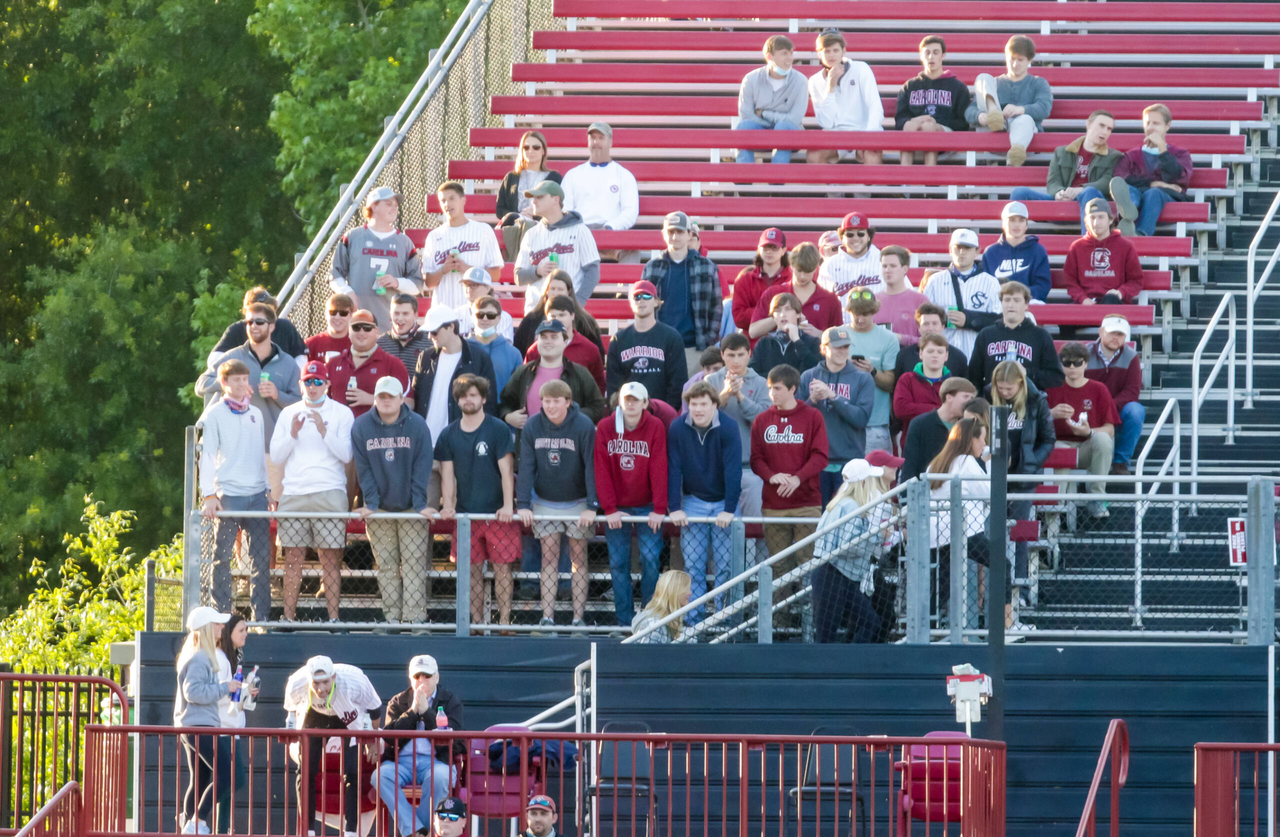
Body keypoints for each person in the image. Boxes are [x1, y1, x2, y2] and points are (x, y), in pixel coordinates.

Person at [269, 361, 355, 622]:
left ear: (328, 384)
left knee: (329, 558)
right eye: (308, 381)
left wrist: (323, 431)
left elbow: (347, 454)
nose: (313, 387)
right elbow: (276, 455)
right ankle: (288, 618)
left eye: (318, 382)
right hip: (294, 493)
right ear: (300, 384)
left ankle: (333, 619)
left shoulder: (342, 413)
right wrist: (292, 434)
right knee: (293, 557)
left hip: (330, 491)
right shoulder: (288, 414)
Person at [196, 303, 303, 501]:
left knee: (274, 513)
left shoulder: (288, 362)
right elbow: (201, 384)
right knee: (233, 514)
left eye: (259, 322)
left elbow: (299, 403)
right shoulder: (233, 357)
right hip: (235, 452)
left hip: (273, 451)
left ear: (272, 326)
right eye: (249, 321)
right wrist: (230, 383)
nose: (253, 326)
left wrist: (277, 394)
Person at [516, 379, 599, 632]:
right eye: (546, 401)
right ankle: (547, 618)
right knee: (548, 558)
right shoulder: (532, 426)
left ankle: (577, 619)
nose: (550, 406)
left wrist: (592, 506)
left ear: (568, 401)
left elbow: (592, 468)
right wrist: (524, 503)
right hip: (545, 500)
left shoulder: (584, 425)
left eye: (556, 401)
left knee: (578, 559)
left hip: (578, 501)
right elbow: (526, 467)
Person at [437, 374, 520, 627]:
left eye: (473, 394)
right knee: (471, 573)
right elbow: (447, 475)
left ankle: (504, 623)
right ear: (457, 401)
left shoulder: (497, 429)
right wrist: (448, 505)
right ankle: (475, 625)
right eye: (463, 396)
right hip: (465, 516)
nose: (468, 399)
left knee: (502, 570)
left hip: (498, 515)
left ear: (483, 398)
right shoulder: (448, 434)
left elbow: (507, 472)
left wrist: (507, 506)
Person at [353, 377, 435, 625]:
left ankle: (415, 620)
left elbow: (423, 468)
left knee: (413, 565)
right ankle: (392, 620)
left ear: (402, 398)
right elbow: (363, 468)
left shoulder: (418, 425)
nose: (386, 401)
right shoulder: (361, 426)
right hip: (379, 510)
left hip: (411, 506)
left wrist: (420, 504)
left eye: (391, 397)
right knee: (386, 567)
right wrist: (371, 504)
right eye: (381, 397)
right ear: (375, 398)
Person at [198, 360, 272, 622]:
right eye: (236, 379)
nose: (242, 384)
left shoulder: (255, 414)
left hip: (257, 496)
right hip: (228, 495)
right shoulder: (214, 414)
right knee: (222, 557)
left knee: (261, 559)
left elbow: (260, 457)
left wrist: (268, 488)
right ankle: (222, 616)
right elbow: (207, 456)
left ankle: (261, 617)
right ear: (225, 383)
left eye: (245, 379)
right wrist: (209, 495)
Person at [751, 364, 830, 602]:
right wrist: (771, 475)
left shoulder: (812, 416)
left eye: (777, 388)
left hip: (807, 503)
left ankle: (810, 620)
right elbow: (756, 459)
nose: (772, 394)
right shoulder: (762, 420)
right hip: (774, 505)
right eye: (770, 388)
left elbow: (820, 456)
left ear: (793, 388)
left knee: (809, 563)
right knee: (778, 566)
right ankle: (779, 624)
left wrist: (798, 477)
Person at [594, 382, 669, 627]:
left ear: (646, 403)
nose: (631, 403)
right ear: (619, 401)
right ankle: (624, 620)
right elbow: (601, 470)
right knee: (618, 562)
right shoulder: (605, 427)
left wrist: (659, 508)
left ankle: (647, 618)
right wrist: (610, 508)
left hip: (647, 505)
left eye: (636, 399)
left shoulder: (655, 426)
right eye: (627, 399)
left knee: (649, 557)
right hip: (618, 508)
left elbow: (659, 467)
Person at [282, 657, 382, 837]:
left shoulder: (355, 681)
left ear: (334, 677)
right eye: (316, 683)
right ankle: (308, 829)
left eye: (325, 682)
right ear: (308, 680)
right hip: (315, 714)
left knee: (352, 771)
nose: (321, 689)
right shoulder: (297, 683)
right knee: (305, 771)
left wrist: (372, 739)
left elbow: (375, 709)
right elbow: (290, 709)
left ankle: (351, 830)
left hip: (347, 712)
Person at [926, 418, 1010, 627]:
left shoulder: (937, 462)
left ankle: (925, 628)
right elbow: (993, 494)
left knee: (942, 586)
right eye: (981, 439)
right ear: (970, 439)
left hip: (939, 534)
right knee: (1003, 564)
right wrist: (990, 462)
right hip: (965, 532)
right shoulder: (966, 462)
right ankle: (1007, 625)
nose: (983, 444)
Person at [668, 383, 741, 620]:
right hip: (693, 501)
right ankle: (694, 619)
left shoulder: (728, 427)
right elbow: (674, 469)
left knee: (726, 568)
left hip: (723, 503)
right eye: (693, 404)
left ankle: (724, 618)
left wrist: (729, 509)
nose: (697, 409)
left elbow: (733, 470)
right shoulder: (678, 427)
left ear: (714, 404)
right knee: (694, 567)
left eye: (703, 404)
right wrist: (675, 507)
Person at [374, 654, 464, 835]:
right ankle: (417, 830)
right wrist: (413, 711)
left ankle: (419, 831)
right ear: (410, 678)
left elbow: (455, 742)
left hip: (437, 761)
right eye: (416, 676)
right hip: (401, 762)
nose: (421, 681)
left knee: (439, 777)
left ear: (437, 678)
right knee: (379, 776)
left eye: (427, 676)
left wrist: (426, 712)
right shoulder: (398, 701)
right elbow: (390, 738)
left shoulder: (450, 700)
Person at [812, 459, 895, 643]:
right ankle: (843, 667)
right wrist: (878, 536)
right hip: (833, 574)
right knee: (832, 633)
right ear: (863, 483)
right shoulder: (851, 506)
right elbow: (849, 547)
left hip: (835, 573)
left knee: (866, 623)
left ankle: (845, 666)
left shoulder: (840, 503)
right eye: (870, 480)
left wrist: (877, 536)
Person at [990, 360, 1055, 584]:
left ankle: (1020, 586)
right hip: (992, 477)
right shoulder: (987, 398)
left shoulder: (1037, 401)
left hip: (1023, 477)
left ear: (1021, 384)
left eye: (1009, 388)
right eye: (1000, 387)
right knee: (991, 534)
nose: (1004, 392)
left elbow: (1048, 439)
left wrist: (1032, 463)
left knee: (1019, 535)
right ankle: (994, 587)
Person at [174, 606, 233, 835]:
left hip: (192, 725)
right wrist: (224, 688)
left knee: (199, 778)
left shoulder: (196, 654)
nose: (222, 627)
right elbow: (194, 692)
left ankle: (189, 823)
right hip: (199, 726)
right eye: (217, 624)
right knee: (225, 775)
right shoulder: (199, 657)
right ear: (208, 628)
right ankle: (197, 821)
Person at [1009, 110, 1119, 234]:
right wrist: (1059, 193)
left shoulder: (1114, 156)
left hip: (1092, 206)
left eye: (1109, 129)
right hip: (1063, 201)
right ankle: (1013, 244)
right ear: (1088, 124)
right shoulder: (1062, 152)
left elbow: (1107, 183)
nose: (1105, 132)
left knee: (1090, 191)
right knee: (1019, 193)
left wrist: (1080, 189)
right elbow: (1053, 181)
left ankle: (1087, 243)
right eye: (1101, 126)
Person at [801, 326, 875, 507]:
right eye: (837, 347)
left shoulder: (862, 378)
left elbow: (861, 418)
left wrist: (833, 397)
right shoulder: (808, 376)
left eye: (846, 347)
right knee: (818, 517)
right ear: (824, 348)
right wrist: (812, 400)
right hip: (815, 460)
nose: (843, 351)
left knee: (850, 514)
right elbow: (799, 421)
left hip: (849, 459)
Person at [332, 186, 423, 331]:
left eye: (395, 205)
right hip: (357, 320)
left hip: (391, 323)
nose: (394, 208)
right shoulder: (352, 237)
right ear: (373, 206)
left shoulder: (404, 242)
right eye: (388, 204)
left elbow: (417, 285)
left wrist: (396, 282)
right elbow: (334, 275)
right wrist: (347, 292)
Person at [641, 211, 723, 372]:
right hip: (659, 347)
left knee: (692, 396)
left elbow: (717, 307)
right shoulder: (651, 267)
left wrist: (707, 341)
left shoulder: (707, 266)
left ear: (689, 235)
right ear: (664, 234)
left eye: (680, 231)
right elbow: (642, 305)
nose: (675, 236)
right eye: (671, 232)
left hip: (694, 347)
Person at [1047, 343, 1120, 517]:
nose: (1072, 367)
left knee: (1102, 438)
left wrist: (1089, 432)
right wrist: (1051, 414)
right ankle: (1054, 506)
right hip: (1060, 442)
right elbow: (1036, 424)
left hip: (1088, 445)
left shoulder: (1099, 389)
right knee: (1060, 449)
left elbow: (1110, 429)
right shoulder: (1051, 388)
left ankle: (1096, 497)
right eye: (1067, 363)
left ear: (1086, 363)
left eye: (1077, 363)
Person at [500, 320, 608, 436]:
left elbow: (597, 407)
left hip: (569, 443)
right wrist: (508, 416)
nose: (548, 341)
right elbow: (504, 402)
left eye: (554, 337)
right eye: (543, 337)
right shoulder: (524, 372)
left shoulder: (579, 373)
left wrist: (571, 416)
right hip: (530, 444)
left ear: (565, 341)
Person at [414, 305, 500, 448]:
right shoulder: (425, 357)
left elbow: (489, 404)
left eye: (434, 331)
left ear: (451, 327)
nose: (430, 336)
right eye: (429, 332)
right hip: (425, 443)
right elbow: (416, 398)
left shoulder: (479, 358)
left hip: (461, 445)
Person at [704, 334, 768, 520]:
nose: (736, 360)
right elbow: (703, 418)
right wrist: (724, 394)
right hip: (716, 465)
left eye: (741, 355)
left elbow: (762, 421)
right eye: (731, 355)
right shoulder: (710, 381)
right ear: (722, 355)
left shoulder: (761, 383)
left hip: (750, 467)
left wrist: (740, 396)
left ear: (749, 354)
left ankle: (751, 551)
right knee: (718, 525)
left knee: (752, 525)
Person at [965, 35, 1052, 167]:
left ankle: (1015, 154)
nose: (1015, 64)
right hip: (993, 133)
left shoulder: (1038, 83)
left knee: (1025, 119)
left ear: (1029, 60)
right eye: (1012, 59)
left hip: (1024, 136)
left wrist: (1020, 109)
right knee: (983, 77)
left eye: (1020, 60)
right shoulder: (994, 83)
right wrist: (980, 115)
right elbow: (970, 111)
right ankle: (995, 114)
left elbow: (1044, 107)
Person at [560, 122, 640, 263]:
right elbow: (564, 209)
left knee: (631, 249)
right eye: (593, 138)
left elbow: (630, 212)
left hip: (611, 232)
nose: (596, 142)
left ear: (610, 142)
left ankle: (629, 285)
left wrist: (610, 228)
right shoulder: (573, 175)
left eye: (601, 138)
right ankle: (564, 285)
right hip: (579, 233)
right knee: (557, 247)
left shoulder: (624, 175)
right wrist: (578, 228)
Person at [514, 181, 601, 310]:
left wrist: (579, 302)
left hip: (566, 310)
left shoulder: (580, 230)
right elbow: (518, 277)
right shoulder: (531, 234)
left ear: (556, 199)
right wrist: (537, 271)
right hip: (535, 310)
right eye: (533, 198)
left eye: (540, 197)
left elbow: (593, 271)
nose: (534, 202)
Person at [1110, 103, 1193, 237]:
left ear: (1167, 126)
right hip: (1137, 194)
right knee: (1128, 190)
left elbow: (1178, 178)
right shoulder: (1131, 155)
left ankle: (1141, 234)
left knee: (1153, 193)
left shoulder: (1180, 154)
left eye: (1156, 123)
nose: (1151, 127)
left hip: (1165, 198)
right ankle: (1129, 211)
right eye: (1147, 123)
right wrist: (1152, 183)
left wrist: (1162, 149)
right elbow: (1120, 178)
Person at [918, 229, 1002, 359]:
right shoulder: (935, 281)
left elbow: (998, 321)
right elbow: (923, 318)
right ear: (950, 250)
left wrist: (970, 320)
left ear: (977, 251)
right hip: (941, 355)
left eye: (967, 248)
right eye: (958, 248)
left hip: (976, 354)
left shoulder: (990, 282)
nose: (962, 252)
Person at [968, 281, 1065, 391]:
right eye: (1007, 300)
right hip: (993, 402)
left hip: (1028, 404)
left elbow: (1056, 378)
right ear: (1001, 303)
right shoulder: (985, 335)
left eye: (1017, 300)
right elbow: (973, 377)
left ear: (1026, 304)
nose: (1011, 305)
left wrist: (1027, 373)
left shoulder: (1041, 336)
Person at [606, 280, 688, 409]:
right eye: (636, 297)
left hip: (661, 413)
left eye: (647, 296)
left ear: (656, 301)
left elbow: (677, 384)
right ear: (631, 302)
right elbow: (614, 387)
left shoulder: (671, 337)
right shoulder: (618, 340)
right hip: (629, 413)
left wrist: (665, 412)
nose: (641, 300)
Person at [807, 29, 884, 165]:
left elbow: (875, 108)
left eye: (835, 50)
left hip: (863, 131)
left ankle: (866, 187)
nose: (831, 55)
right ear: (819, 53)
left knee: (872, 158)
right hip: (835, 135)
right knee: (813, 156)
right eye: (826, 51)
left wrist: (869, 138)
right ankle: (832, 186)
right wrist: (830, 87)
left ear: (843, 51)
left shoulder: (861, 69)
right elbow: (826, 123)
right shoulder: (814, 81)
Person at [424, 181, 504, 310]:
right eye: (443, 200)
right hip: (444, 308)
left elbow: (495, 274)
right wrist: (444, 269)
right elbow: (429, 282)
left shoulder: (483, 230)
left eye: (451, 198)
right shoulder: (433, 236)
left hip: (477, 310)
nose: (447, 204)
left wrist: (468, 269)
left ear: (463, 200)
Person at [896, 36, 972, 166]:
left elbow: (963, 123)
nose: (931, 57)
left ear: (943, 56)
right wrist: (914, 121)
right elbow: (899, 120)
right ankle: (904, 182)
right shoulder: (910, 86)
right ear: (921, 56)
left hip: (946, 137)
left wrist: (936, 123)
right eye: (927, 53)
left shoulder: (958, 87)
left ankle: (930, 181)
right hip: (915, 134)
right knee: (909, 125)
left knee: (929, 127)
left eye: (936, 52)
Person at [750, 242, 843, 346]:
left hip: (814, 359)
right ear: (791, 266)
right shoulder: (774, 293)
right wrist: (780, 317)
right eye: (799, 270)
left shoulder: (829, 299)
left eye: (808, 271)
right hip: (779, 358)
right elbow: (753, 331)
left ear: (816, 268)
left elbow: (841, 339)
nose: (802, 276)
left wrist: (821, 335)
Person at [214, 614, 257, 835]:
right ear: (229, 632)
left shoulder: (231, 659)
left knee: (229, 787)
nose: (245, 633)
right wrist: (242, 691)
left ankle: (221, 830)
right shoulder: (221, 659)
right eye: (241, 630)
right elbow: (220, 695)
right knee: (235, 779)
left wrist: (246, 691)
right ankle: (195, 812)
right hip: (224, 727)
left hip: (232, 726)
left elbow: (233, 699)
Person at [1086, 315, 1144, 476]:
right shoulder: (1084, 354)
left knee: (1136, 411)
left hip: (1118, 407)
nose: (1116, 338)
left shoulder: (1131, 356)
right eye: (1112, 333)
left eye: (1120, 335)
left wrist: (1109, 405)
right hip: (1091, 406)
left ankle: (1120, 461)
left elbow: (1133, 391)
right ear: (1101, 332)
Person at [735, 35, 806, 165]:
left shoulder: (800, 81)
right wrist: (772, 129)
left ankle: (777, 177)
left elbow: (794, 119)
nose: (789, 58)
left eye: (791, 53)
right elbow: (746, 115)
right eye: (784, 53)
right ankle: (743, 176)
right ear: (769, 57)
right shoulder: (751, 79)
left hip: (790, 135)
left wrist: (764, 114)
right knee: (744, 126)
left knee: (783, 127)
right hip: (761, 132)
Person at [844, 291, 901, 453]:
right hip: (842, 423)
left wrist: (872, 371)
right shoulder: (837, 334)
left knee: (877, 477)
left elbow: (891, 384)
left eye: (865, 314)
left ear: (874, 312)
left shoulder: (888, 339)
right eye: (855, 314)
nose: (860, 319)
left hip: (875, 424)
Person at [327, 309, 410, 420]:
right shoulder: (333, 364)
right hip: (340, 433)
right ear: (349, 331)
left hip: (377, 433)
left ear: (377, 332)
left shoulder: (393, 364)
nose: (361, 332)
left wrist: (373, 399)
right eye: (356, 328)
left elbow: (408, 402)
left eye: (367, 328)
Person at [494, 129, 561, 259]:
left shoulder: (554, 178)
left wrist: (537, 213)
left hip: (542, 225)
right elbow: (500, 209)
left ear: (543, 151)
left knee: (529, 226)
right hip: (514, 223)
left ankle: (518, 268)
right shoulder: (511, 177)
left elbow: (558, 207)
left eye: (536, 147)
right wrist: (519, 215)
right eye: (526, 147)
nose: (530, 151)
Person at [1063, 199, 1144, 304]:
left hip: (1115, 303)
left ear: (1110, 220)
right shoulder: (1077, 247)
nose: (1096, 223)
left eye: (1101, 217)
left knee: (1111, 300)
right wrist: (1083, 299)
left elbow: (1136, 280)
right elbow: (1070, 281)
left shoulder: (1126, 246)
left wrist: (1120, 292)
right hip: (1085, 303)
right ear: (1086, 221)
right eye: (1092, 218)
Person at [525, 295, 607, 395]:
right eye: (553, 316)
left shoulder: (590, 349)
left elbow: (598, 387)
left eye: (562, 315)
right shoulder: (535, 350)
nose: (557, 319)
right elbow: (525, 384)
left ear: (572, 315)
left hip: (578, 408)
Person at [512, 272, 605, 358]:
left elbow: (596, 356)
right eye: (552, 289)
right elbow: (519, 351)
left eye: (560, 289)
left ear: (569, 292)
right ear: (546, 291)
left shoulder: (585, 321)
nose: (556, 293)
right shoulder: (531, 319)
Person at [901, 377, 977, 480]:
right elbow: (909, 464)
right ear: (949, 397)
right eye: (966, 396)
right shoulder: (920, 424)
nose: (970, 402)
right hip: (926, 488)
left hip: (959, 490)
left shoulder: (969, 427)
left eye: (972, 398)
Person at [209, 286, 308, 363]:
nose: (265, 313)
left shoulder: (284, 326)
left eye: (268, 308)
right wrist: (238, 371)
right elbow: (214, 359)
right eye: (258, 309)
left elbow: (300, 356)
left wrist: (291, 378)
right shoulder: (237, 329)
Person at [981, 202, 1052, 302]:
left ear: (1026, 225)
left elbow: (1042, 287)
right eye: (1012, 220)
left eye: (1021, 220)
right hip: (998, 303)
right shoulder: (991, 252)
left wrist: (1017, 294)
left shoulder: (1038, 250)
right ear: (1003, 224)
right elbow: (984, 286)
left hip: (1028, 302)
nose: (1017, 225)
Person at [893, 333, 957, 435]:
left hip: (946, 443)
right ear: (921, 354)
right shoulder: (907, 379)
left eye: (940, 352)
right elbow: (901, 409)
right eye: (930, 351)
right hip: (914, 441)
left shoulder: (954, 384)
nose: (935, 355)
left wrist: (917, 408)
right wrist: (940, 409)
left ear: (946, 356)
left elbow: (956, 411)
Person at [732, 228, 792, 334]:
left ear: (783, 250)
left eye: (774, 247)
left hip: (786, 343)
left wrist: (758, 314)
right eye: (765, 247)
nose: (769, 251)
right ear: (758, 250)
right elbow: (739, 318)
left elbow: (798, 313)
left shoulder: (793, 279)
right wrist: (777, 314)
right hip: (753, 344)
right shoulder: (744, 281)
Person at [750, 293, 823, 377]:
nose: (782, 315)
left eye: (788, 309)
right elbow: (753, 375)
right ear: (773, 317)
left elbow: (817, 370)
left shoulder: (812, 341)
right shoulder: (764, 343)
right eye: (778, 310)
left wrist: (797, 340)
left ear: (798, 314)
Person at [892, 303, 970, 381]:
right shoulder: (904, 356)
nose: (930, 328)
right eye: (926, 324)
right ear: (918, 327)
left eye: (935, 323)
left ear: (942, 326)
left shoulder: (958, 357)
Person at [817, 211, 883, 302]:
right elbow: (822, 302)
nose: (855, 238)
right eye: (850, 234)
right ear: (842, 238)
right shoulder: (829, 265)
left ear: (869, 236)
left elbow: (903, 294)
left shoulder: (884, 261)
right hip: (842, 316)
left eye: (861, 234)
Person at [875, 246, 928, 345]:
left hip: (910, 357)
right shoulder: (873, 300)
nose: (888, 270)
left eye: (893, 266)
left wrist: (900, 338)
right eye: (884, 266)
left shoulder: (920, 300)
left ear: (905, 269)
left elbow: (929, 340)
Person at [471, 296, 523, 394]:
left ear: (499, 318)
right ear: (472, 317)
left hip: (500, 407)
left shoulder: (513, 353)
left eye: (490, 315)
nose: (485, 319)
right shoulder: (461, 348)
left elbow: (518, 389)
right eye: (480, 315)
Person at [630, 570, 693, 642]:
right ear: (675, 591)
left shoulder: (671, 620)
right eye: (686, 589)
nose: (690, 593)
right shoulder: (655, 625)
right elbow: (646, 652)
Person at [378, 294, 434, 375]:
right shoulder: (380, 343)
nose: (400, 318)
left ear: (415, 315)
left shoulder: (430, 340)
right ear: (390, 314)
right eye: (396, 313)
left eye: (405, 314)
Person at [459, 267, 515, 341]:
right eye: (466, 285)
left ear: (488, 288)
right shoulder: (455, 315)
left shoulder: (503, 318)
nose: (469, 289)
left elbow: (502, 349)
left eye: (474, 285)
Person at [307, 294, 355, 364]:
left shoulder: (358, 344)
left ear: (351, 315)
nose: (337, 317)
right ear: (326, 314)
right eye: (333, 312)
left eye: (343, 313)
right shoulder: (311, 344)